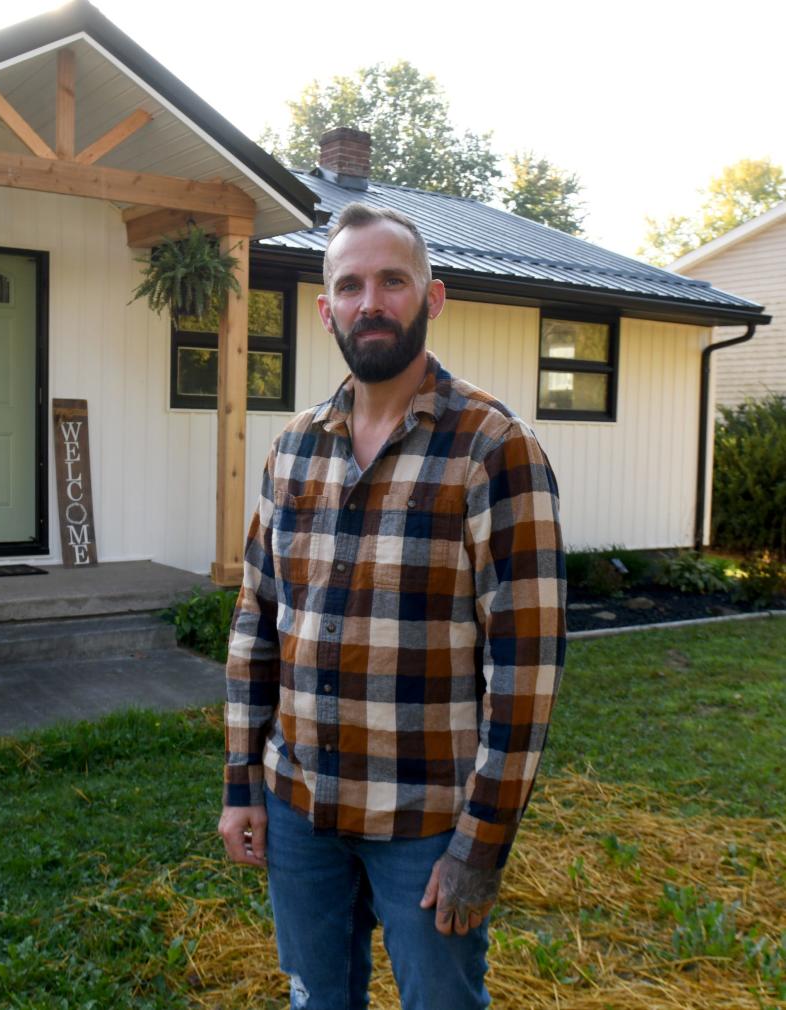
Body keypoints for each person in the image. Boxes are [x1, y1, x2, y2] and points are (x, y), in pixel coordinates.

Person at [218, 204, 566, 1010]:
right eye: (350, 285)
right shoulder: (293, 449)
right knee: (316, 999)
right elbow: (254, 627)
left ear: (432, 298)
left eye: (392, 281)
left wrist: (480, 847)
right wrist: (243, 784)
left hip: (427, 824)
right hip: (299, 813)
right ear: (325, 308)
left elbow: (525, 671)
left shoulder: (494, 449)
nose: (369, 301)